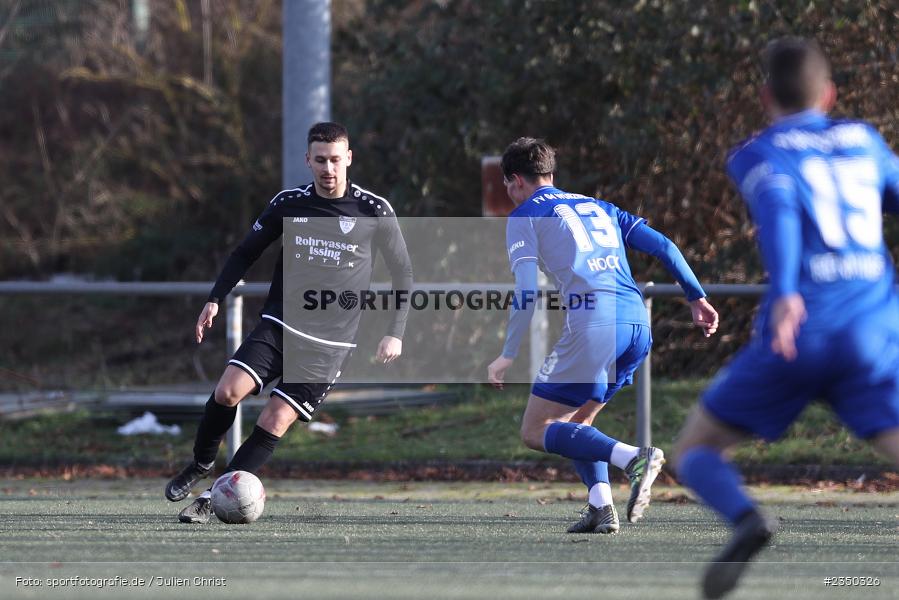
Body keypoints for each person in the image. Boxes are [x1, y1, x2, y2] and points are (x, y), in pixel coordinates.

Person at [673, 37, 899, 599]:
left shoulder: (757, 152)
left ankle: (747, 519)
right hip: (870, 334)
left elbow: (778, 208)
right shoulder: (864, 141)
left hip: (797, 334)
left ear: (764, 96)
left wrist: (787, 292)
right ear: (830, 95)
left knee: (695, 449)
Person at [166, 122, 413, 523]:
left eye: (336, 160)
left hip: (330, 345)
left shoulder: (374, 210)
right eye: (321, 160)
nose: (328, 168)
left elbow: (403, 273)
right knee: (227, 392)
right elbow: (245, 252)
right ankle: (201, 463)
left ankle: (211, 499)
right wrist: (215, 298)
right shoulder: (289, 203)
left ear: (349, 158)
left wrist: (394, 332)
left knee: (275, 418)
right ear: (308, 160)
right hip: (280, 325)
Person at [487, 137, 718, 534]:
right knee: (580, 420)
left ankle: (633, 458)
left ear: (515, 181)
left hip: (594, 326)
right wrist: (696, 297)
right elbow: (664, 245)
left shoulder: (524, 215)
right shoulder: (601, 206)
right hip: (637, 325)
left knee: (535, 430)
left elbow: (526, 290)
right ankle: (601, 506)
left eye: (508, 186)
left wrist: (508, 352)